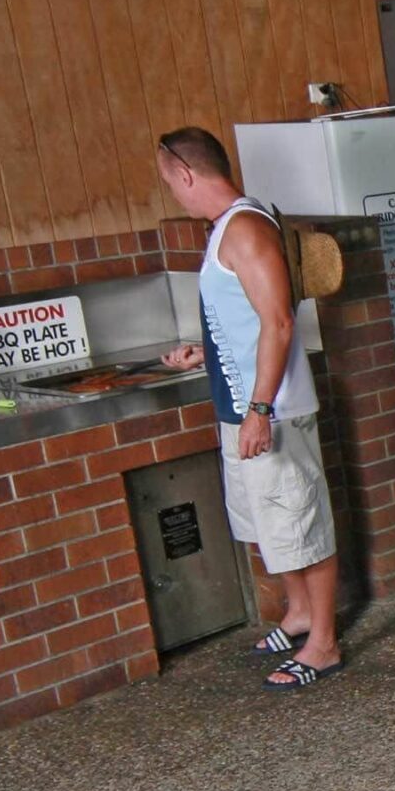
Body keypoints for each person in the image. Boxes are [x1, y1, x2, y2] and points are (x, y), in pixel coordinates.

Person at [154, 127, 342, 689]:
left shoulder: (245, 228)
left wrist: (260, 407)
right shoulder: (222, 233)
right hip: (241, 406)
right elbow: (241, 320)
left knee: (302, 522)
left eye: (169, 182)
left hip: (272, 409)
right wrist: (203, 355)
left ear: (186, 174)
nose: (173, 193)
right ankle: (301, 613)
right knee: (272, 525)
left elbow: (279, 320)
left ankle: (325, 644)